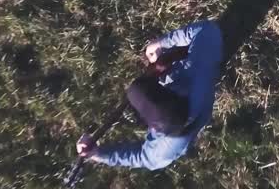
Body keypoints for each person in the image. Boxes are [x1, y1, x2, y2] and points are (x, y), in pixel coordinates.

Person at [76, 19, 223, 170]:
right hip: (195, 80)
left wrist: (97, 154)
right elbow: (206, 29)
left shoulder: (161, 152)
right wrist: (161, 43)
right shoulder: (200, 75)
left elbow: (139, 158)